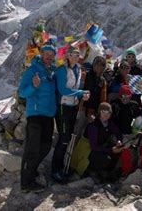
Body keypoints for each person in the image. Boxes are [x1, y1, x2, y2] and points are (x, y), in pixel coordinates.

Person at [18, 41, 57, 192]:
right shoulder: (32, 70)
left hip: (48, 114)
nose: (48, 57)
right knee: (32, 149)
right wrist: (33, 86)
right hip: (35, 114)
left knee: (46, 146)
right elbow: (22, 93)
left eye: (51, 55)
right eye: (46, 54)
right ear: (41, 54)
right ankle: (26, 183)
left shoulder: (53, 72)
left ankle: (31, 170)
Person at [51, 46, 89, 183]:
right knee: (64, 138)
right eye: (72, 55)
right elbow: (62, 89)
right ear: (67, 55)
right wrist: (79, 93)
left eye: (77, 55)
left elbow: (78, 87)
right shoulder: (61, 70)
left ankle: (62, 168)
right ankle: (55, 170)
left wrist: (82, 95)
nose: (75, 57)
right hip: (63, 106)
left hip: (73, 106)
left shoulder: (78, 69)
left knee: (68, 138)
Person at [85, 102, 123, 181]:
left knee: (117, 150)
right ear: (99, 112)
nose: (106, 115)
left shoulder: (108, 123)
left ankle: (106, 171)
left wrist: (119, 141)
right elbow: (93, 147)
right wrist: (111, 150)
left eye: (108, 113)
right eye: (103, 112)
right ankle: (93, 171)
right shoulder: (93, 125)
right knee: (106, 159)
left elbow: (118, 132)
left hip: (102, 148)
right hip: (91, 152)